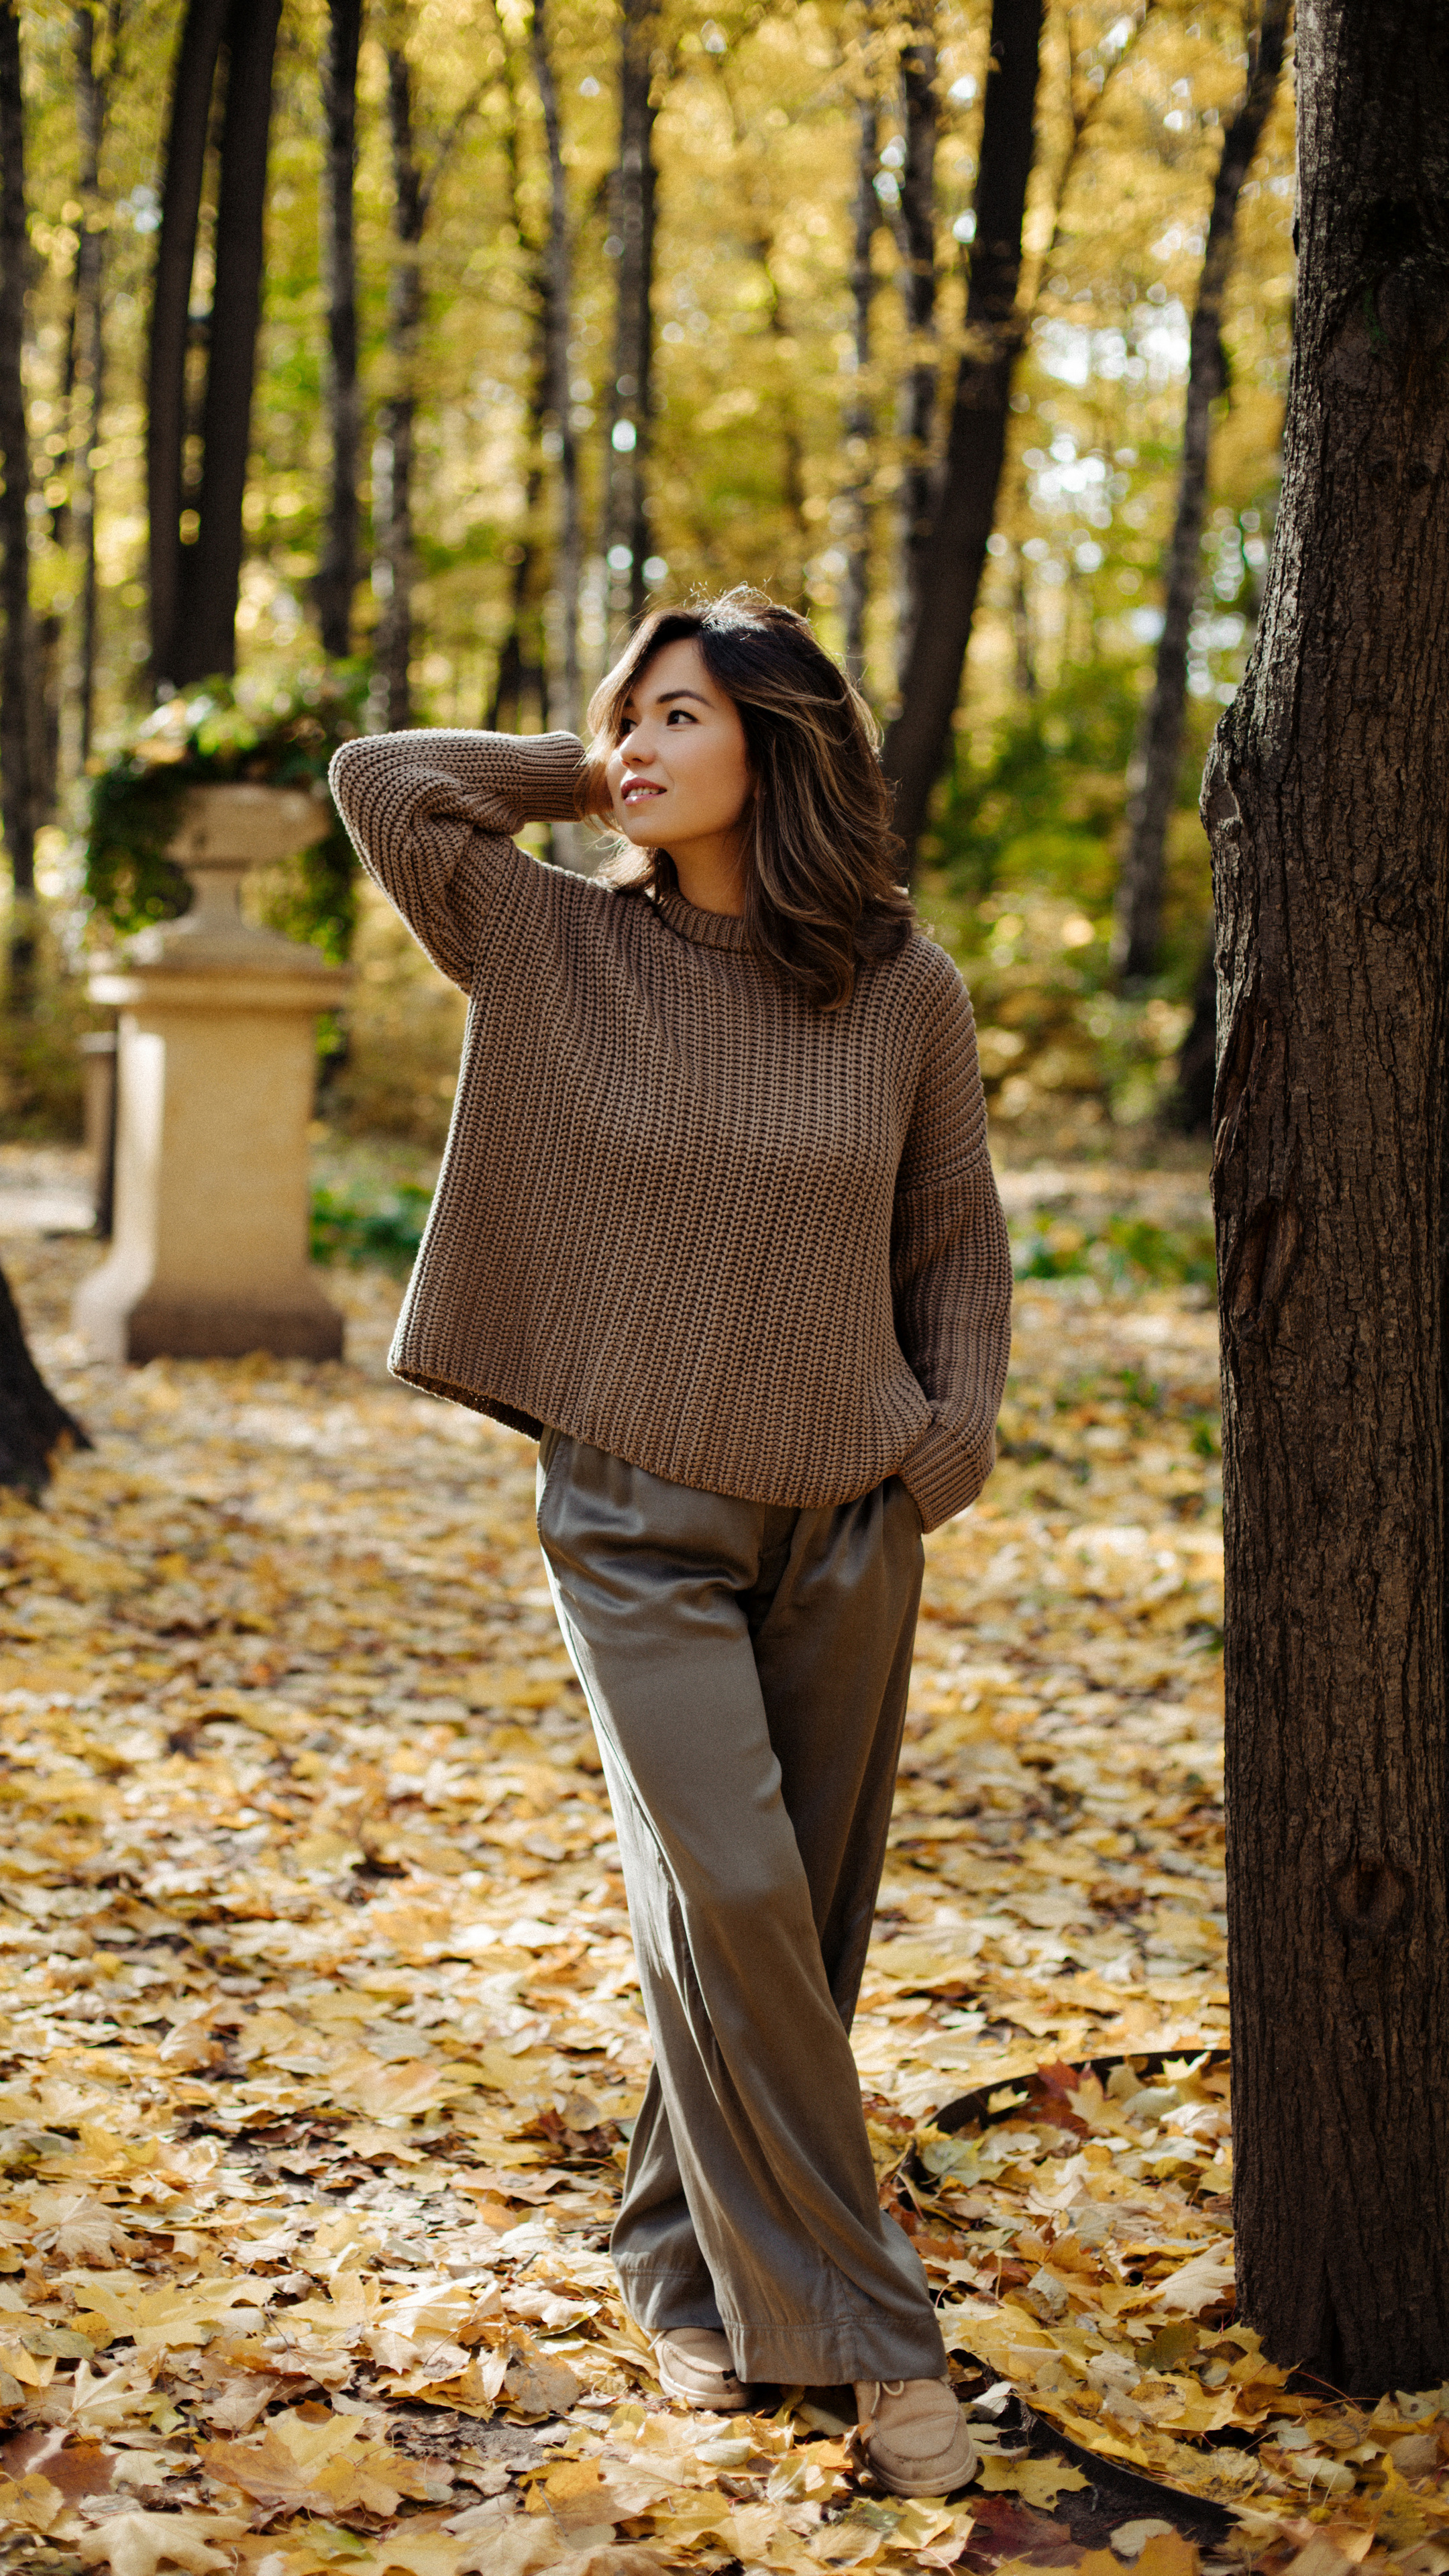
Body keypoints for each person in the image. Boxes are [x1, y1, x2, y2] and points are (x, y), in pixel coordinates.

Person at [329, 589, 1010, 2498]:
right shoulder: (551, 940)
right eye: (627, 714)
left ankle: (670, 2255)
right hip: (633, 1515)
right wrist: (590, 759)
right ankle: (880, 2344)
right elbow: (380, 781)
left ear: (780, 743)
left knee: (800, 1928)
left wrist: (941, 1455)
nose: (634, 741)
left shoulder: (899, 986)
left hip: (853, 1514)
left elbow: (953, 1241)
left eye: (681, 714)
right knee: (733, 1899)